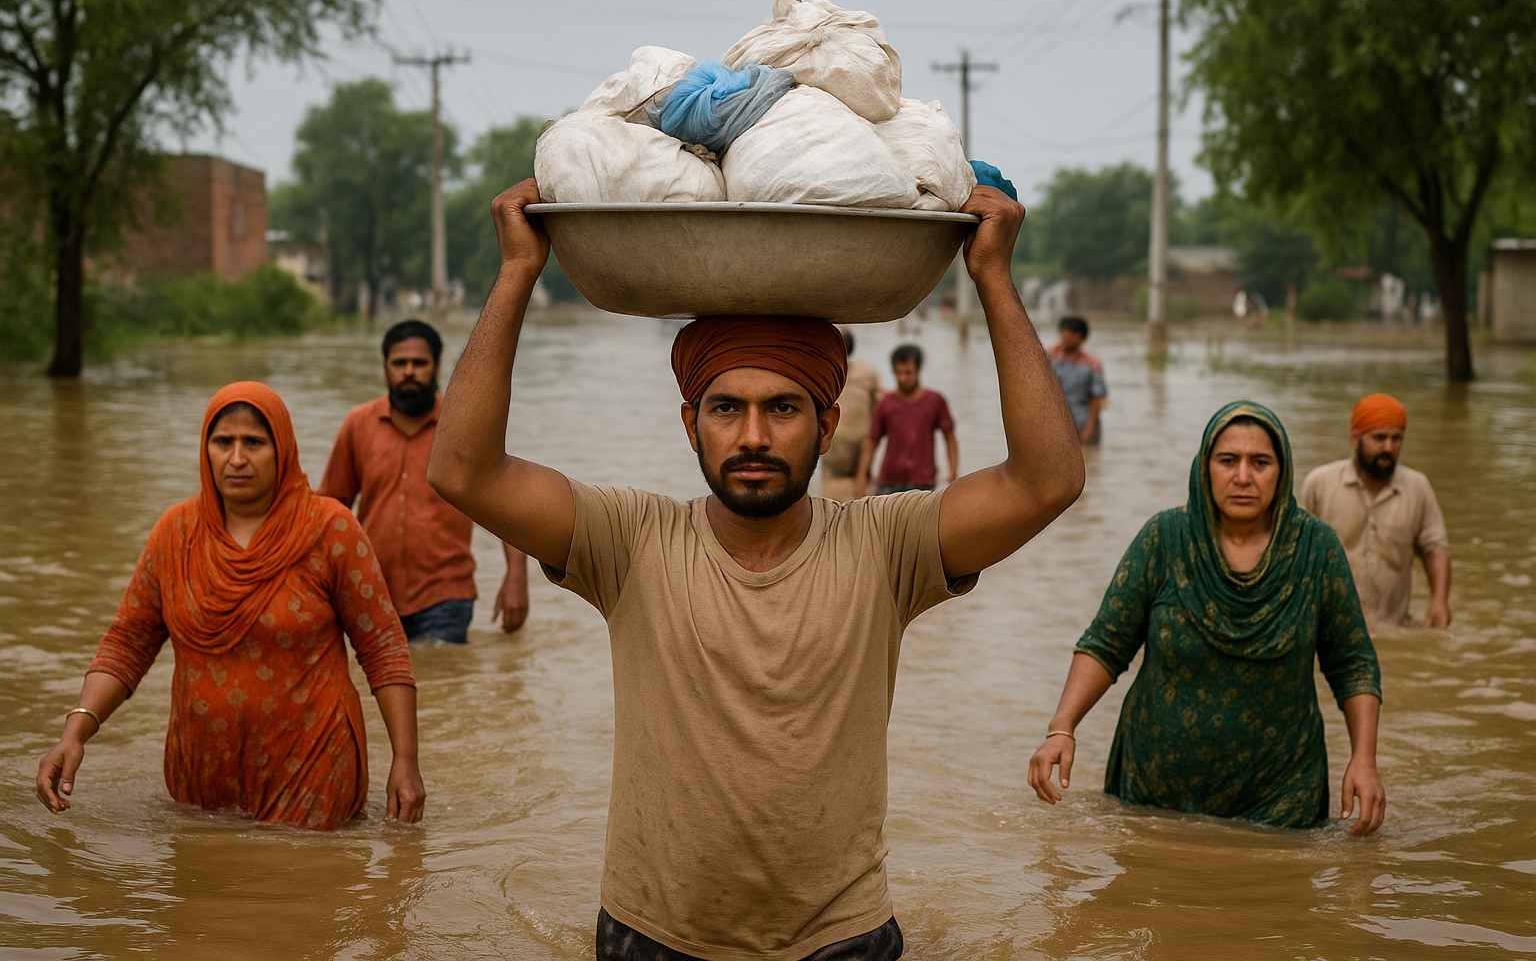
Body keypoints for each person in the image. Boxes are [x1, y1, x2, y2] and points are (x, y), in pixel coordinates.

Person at [428, 178, 1083, 959]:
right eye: (725, 408)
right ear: (688, 423)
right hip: (652, 935)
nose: (753, 436)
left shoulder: (887, 545)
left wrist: (994, 279)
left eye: (782, 407)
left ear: (828, 422)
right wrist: (515, 275)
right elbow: (464, 471)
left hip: (841, 940)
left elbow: (1047, 480)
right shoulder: (629, 539)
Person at [35, 382, 425, 829]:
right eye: (223, 443)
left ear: (282, 450)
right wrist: (75, 733)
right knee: (203, 888)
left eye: (254, 443)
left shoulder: (330, 529)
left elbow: (383, 648)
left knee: (314, 886)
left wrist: (405, 759)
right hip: (202, 769)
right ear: (206, 450)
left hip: (314, 765)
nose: (236, 459)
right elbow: (128, 643)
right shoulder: (175, 533)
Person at [1028, 402, 1386, 835]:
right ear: (1205, 467)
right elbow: (1107, 642)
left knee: (1279, 895)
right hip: (1153, 791)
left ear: (1283, 471)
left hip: (1280, 793)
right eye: (1228, 461)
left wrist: (1364, 759)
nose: (1243, 477)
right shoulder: (1164, 538)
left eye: (1260, 463)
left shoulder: (1316, 549)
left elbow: (1353, 663)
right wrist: (1061, 728)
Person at [318, 320, 531, 643]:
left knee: (443, 682)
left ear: (435, 366)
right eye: (399, 363)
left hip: (445, 596)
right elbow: (332, 508)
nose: (409, 372)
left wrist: (516, 576)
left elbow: (502, 503)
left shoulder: (463, 426)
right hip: (371, 592)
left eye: (419, 363)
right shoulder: (358, 425)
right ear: (385, 367)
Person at [1299, 393, 1451, 629]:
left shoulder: (1418, 488)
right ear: (1355, 437)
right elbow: (1296, 552)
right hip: (1329, 631)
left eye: (1396, 438)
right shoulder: (1319, 484)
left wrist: (1439, 602)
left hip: (1393, 628)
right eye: (1379, 438)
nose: (1388, 447)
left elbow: (1435, 547)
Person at [853, 344, 958, 497]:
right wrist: (861, 478)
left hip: (923, 482)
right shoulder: (886, 403)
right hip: (888, 482)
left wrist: (953, 472)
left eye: (908, 373)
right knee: (885, 521)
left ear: (918, 370)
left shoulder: (935, 401)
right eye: (898, 373)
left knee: (922, 521)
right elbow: (871, 443)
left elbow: (949, 437)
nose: (903, 378)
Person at [820, 327, 881, 502]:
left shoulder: (866, 373)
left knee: (862, 500)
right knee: (832, 503)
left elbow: (877, 408)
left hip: (861, 448)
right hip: (832, 450)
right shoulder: (824, 373)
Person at [1048, 316, 1107, 445]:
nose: (1063, 339)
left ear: (1079, 337)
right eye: (1062, 335)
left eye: (1067, 336)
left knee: (1088, 461)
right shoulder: (1051, 359)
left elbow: (1096, 399)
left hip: (1083, 423)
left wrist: (1089, 429)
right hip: (1056, 425)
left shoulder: (1092, 364)